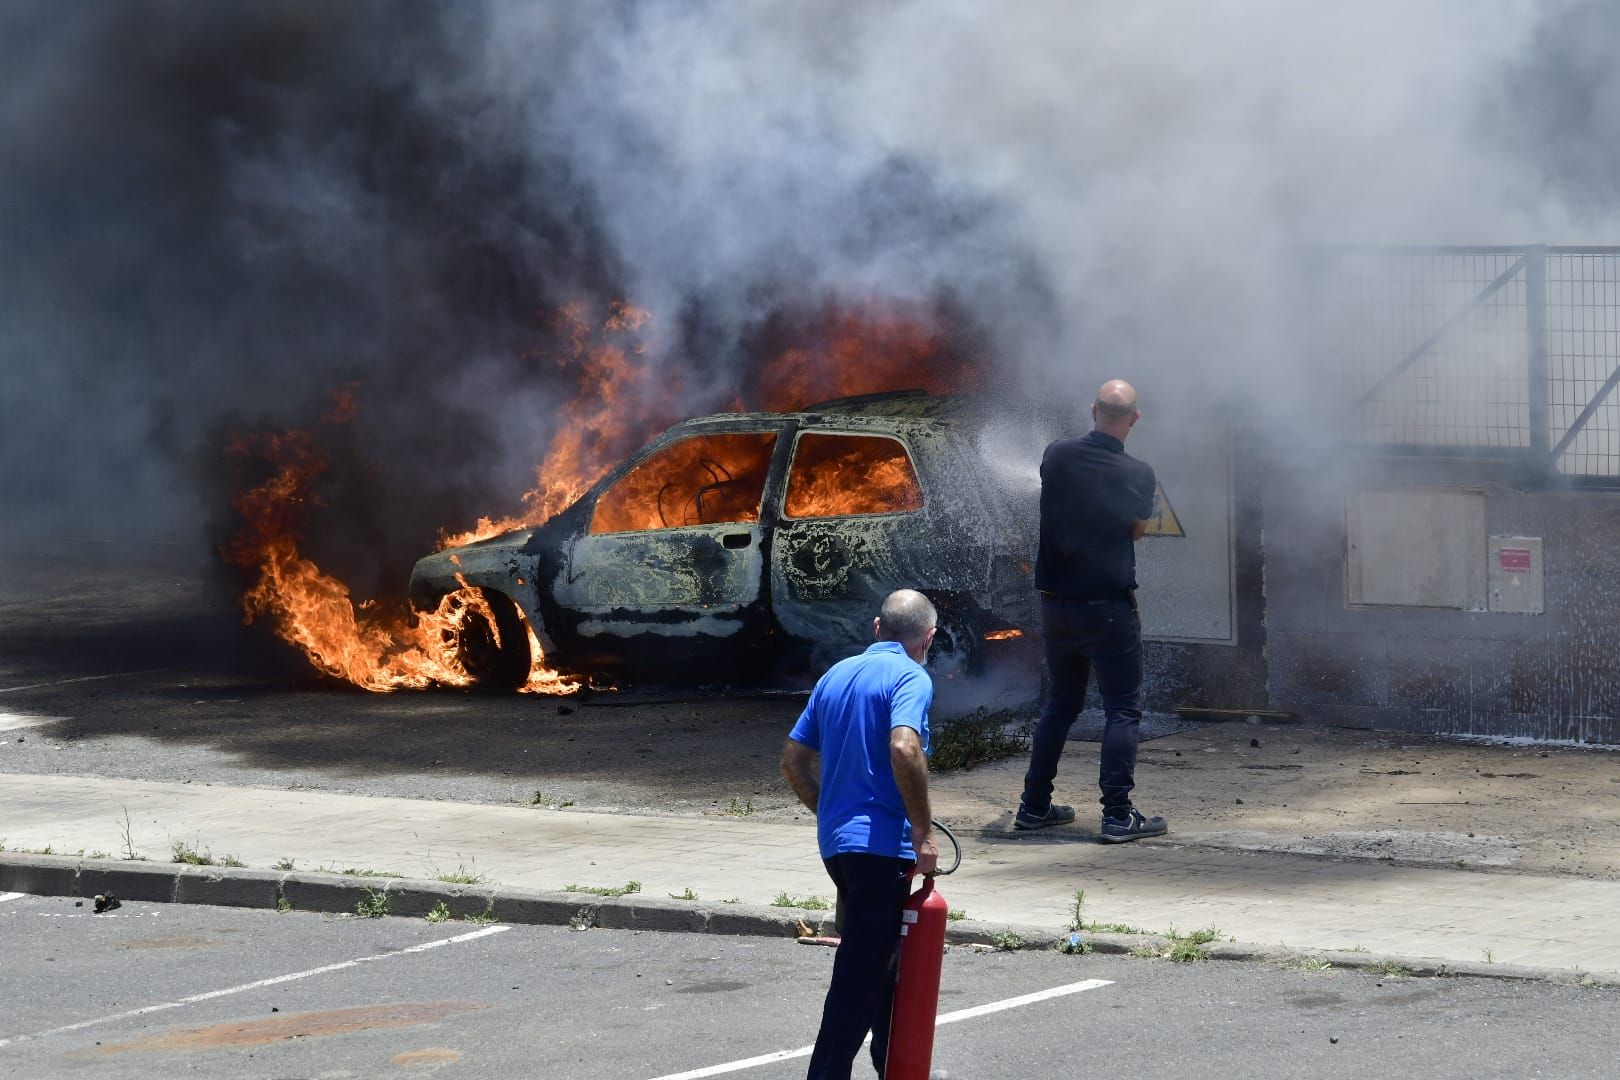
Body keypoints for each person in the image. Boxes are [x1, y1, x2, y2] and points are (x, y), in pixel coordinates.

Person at [780, 589, 941, 1080]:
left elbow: (792, 762)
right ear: (928, 638)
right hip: (880, 851)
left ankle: (892, 1065)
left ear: (877, 627)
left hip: (839, 848)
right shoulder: (912, 677)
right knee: (861, 975)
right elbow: (904, 747)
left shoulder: (836, 675)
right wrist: (923, 831)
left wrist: (829, 811)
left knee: (884, 963)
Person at [1015, 379, 1169, 843]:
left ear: (1092, 410)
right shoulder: (1138, 473)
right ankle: (1118, 816)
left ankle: (1033, 807)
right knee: (1122, 709)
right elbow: (1137, 531)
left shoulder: (1056, 455)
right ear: (1135, 419)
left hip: (1055, 607)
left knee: (1061, 704)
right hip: (1107, 610)